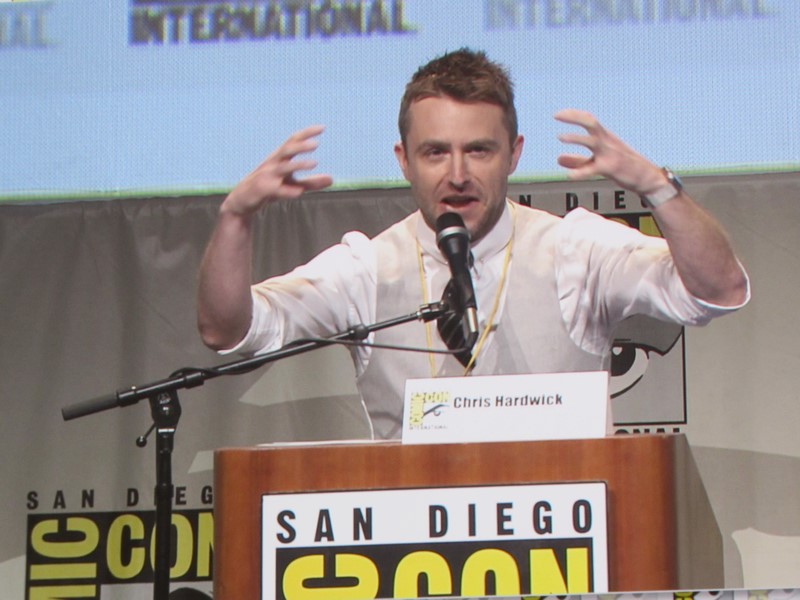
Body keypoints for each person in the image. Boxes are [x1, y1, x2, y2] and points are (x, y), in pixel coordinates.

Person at [197, 48, 749, 439]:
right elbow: (230, 330)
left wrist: (658, 187)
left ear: (514, 154)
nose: (457, 175)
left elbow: (716, 290)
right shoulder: (368, 268)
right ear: (404, 160)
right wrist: (234, 218)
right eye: (436, 152)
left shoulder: (575, 249)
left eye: (479, 151)